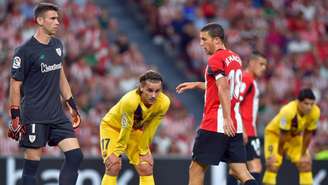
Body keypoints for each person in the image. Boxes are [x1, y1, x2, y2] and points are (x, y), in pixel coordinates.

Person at [8, 3, 83, 185]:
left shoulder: (57, 45)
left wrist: (71, 105)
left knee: (75, 156)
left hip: (56, 114)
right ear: (40, 21)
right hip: (34, 115)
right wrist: (15, 117)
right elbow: (15, 87)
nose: (57, 22)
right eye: (53, 18)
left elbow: (60, 75)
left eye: (58, 19)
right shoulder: (24, 51)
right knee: (32, 165)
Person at [176, 23, 258, 185]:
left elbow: (224, 88)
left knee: (196, 168)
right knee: (241, 171)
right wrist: (199, 84)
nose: (201, 43)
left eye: (204, 39)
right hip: (236, 124)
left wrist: (226, 118)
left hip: (217, 122)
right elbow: (224, 85)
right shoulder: (235, 58)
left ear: (217, 40)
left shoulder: (215, 58)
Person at [100, 70, 170, 185]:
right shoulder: (130, 101)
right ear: (141, 88)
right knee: (113, 166)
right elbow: (125, 126)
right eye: (150, 90)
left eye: (157, 91)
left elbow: (151, 128)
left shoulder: (164, 103)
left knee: (145, 166)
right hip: (112, 128)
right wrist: (117, 152)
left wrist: (143, 150)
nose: (154, 95)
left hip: (134, 130)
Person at [262, 88, 320, 185]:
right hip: (275, 135)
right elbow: (283, 134)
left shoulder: (315, 112)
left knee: (305, 164)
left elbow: (308, 134)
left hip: (294, 137)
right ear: (298, 102)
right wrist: (279, 154)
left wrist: (303, 154)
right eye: (306, 103)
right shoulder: (288, 111)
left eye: (311, 104)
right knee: (273, 164)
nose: (309, 107)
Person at [227, 52, 267, 185]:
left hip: (247, 130)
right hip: (246, 131)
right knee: (253, 167)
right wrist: (242, 129)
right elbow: (235, 102)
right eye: (261, 64)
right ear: (252, 63)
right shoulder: (246, 79)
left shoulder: (249, 80)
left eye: (265, 65)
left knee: (236, 169)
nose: (263, 68)